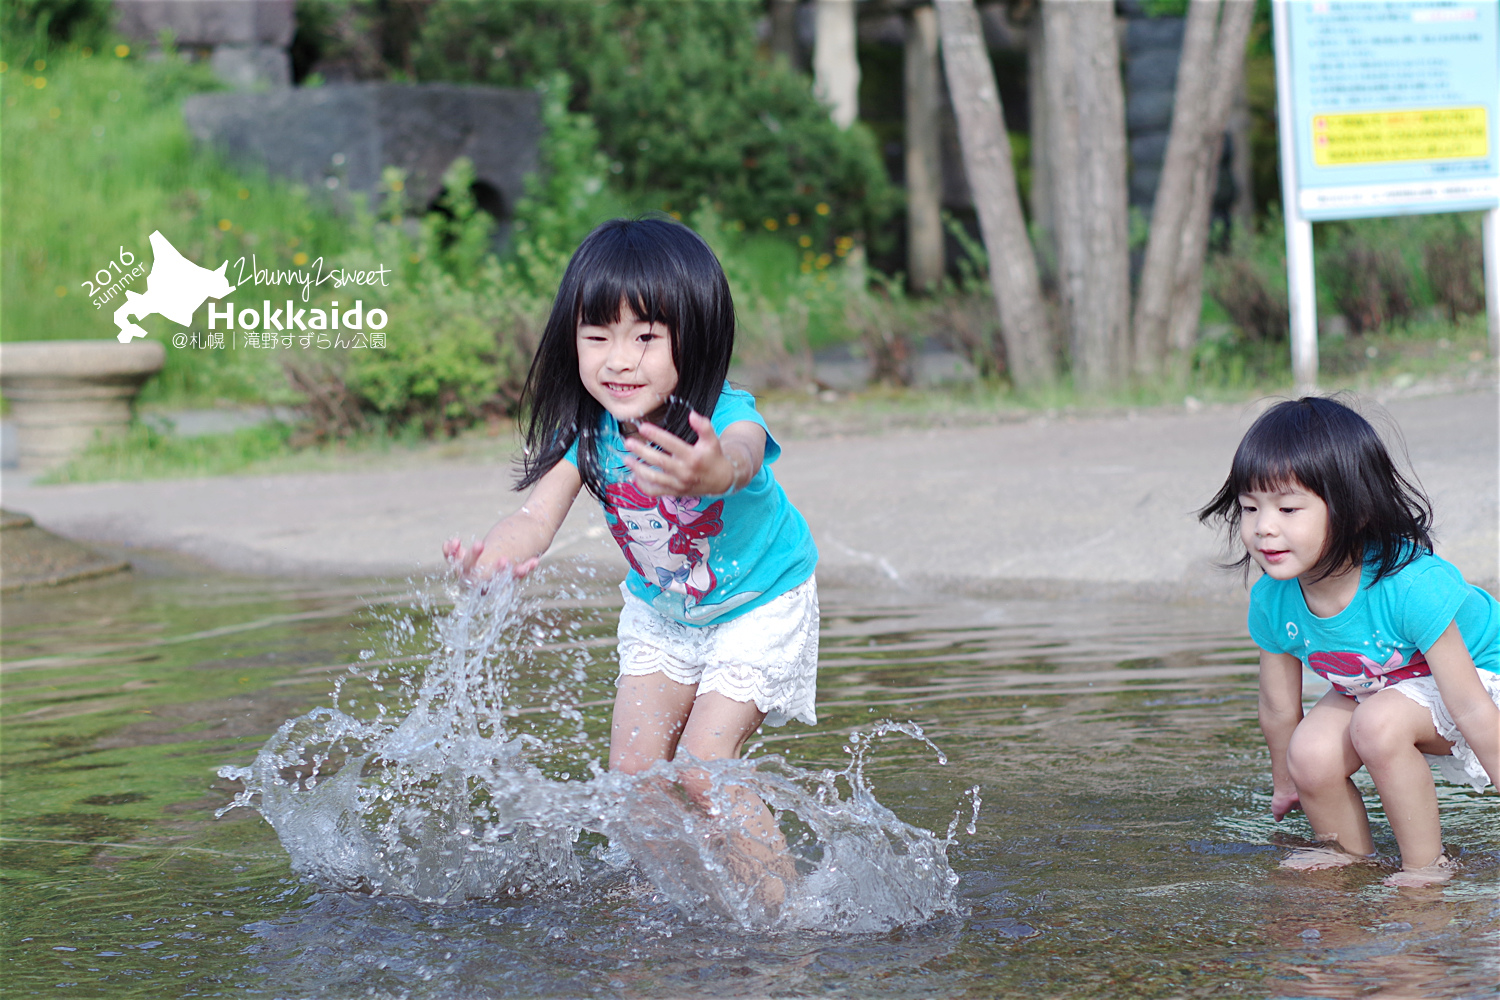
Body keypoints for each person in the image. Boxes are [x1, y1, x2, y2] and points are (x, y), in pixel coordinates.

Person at [444, 217, 818, 901]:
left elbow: (741, 451)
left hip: (760, 603)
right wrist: (494, 559)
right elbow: (534, 516)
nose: (618, 360)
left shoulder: (723, 413)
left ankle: (789, 925)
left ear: (694, 337)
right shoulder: (585, 433)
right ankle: (698, 906)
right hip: (664, 613)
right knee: (635, 780)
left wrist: (713, 470)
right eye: (597, 337)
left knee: (705, 769)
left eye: (645, 337)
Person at [1199, 396, 1499, 887]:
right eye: (1250, 507)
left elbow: (1468, 705)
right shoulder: (1273, 599)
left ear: (1355, 511)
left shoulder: (1410, 585)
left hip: (1481, 678)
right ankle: (1349, 856)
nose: (1263, 528)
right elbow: (1278, 707)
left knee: (1377, 725)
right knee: (1310, 752)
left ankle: (1427, 869)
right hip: (1382, 681)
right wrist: (1284, 780)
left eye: (1289, 508)